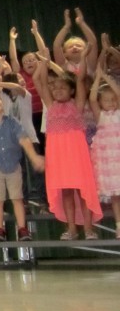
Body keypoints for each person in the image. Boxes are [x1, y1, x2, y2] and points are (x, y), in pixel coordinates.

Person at [32, 56, 102, 240]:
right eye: (55, 88)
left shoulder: (76, 105)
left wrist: (85, 56)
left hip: (76, 153)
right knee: (67, 192)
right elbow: (38, 81)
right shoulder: (50, 105)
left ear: (71, 90)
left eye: (63, 87)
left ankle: (88, 229)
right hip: (58, 155)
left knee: (83, 190)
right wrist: (43, 64)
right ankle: (71, 229)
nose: (57, 90)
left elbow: (80, 78)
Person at [0, 93, 46, 241]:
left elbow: (24, 140)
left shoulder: (12, 122)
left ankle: (22, 229)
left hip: (14, 166)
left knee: (17, 198)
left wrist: (34, 157)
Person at [88, 63, 120, 238]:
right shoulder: (100, 116)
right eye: (107, 100)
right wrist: (98, 78)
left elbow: (119, 93)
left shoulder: (119, 112)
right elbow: (92, 98)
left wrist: (107, 77)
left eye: (113, 99)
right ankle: (119, 225)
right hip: (110, 166)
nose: (111, 102)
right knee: (116, 196)